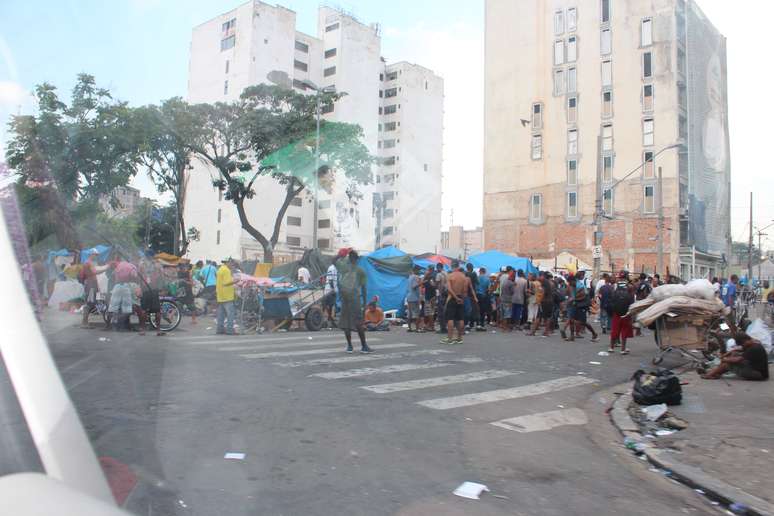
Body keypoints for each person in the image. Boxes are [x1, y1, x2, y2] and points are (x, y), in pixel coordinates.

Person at [336, 250, 371, 353]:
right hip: (354, 299)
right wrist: (364, 303)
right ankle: (364, 346)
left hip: (344, 298)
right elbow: (364, 289)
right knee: (359, 322)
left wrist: (340, 254)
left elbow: (333, 260)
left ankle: (350, 346)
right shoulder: (360, 271)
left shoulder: (344, 268)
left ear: (349, 258)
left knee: (346, 323)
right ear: (357, 259)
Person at [702, 332, 769, 381]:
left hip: (759, 375)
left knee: (727, 364)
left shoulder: (754, 348)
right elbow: (737, 349)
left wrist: (724, 359)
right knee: (734, 354)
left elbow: (737, 360)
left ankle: (709, 375)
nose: (742, 346)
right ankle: (716, 372)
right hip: (755, 369)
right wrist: (727, 354)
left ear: (745, 341)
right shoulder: (754, 343)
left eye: (742, 344)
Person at [441, 261, 476, 344]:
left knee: (450, 318)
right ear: (458, 266)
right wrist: (461, 298)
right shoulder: (463, 276)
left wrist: (456, 297)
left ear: (452, 267)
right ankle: (459, 338)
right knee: (460, 318)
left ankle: (450, 338)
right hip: (461, 298)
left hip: (452, 298)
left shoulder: (450, 276)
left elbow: (449, 289)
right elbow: (465, 290)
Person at [79, 251, 110, 328]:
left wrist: (98, 287)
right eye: (95, 255)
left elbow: (92, 275)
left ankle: (106, 321)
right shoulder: (88, 263)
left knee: (98, 301)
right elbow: (94, 272)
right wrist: (106, 268)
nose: (96, 256)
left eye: (96, 255)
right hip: (91, 285)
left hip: (92, 285)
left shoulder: (89, 263)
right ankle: (84, 322)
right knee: (90, 303)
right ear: (91, 255)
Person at [609, 271, 635, 354]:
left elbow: (612, 298)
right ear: (627, 277)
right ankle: (623, 349)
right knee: (624, 330)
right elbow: (632, 300)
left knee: (615, 329)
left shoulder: (615, 285)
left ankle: (611, 347)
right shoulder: (630, 286)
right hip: (626, 312)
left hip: (616, 312)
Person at [215, 258, 237, 335]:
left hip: (221, 295)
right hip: (227, 296)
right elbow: (226, 282)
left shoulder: (220, 269)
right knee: (230, 314)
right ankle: (230, 330)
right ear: (228, 262)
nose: (232, 265)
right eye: (231, 263)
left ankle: (219, 329)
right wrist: (236, 280)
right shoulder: (226, 270)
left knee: (221, 314)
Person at [528, 272, 554, 336]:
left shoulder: (545, 283)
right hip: (548, 301)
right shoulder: (547, 282)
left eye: (539, 276)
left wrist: (539, 301)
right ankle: (544, 332)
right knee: (545, 317)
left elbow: (543, 293)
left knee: (539, 316)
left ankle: (534, 332)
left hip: (545, 302)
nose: (538, 278)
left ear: (543, 276)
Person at [176, 260, 198, 325]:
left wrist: (185, 282)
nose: (183, 267)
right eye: (182, 266)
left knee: (192, 306)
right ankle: (170, 316)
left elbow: (192, 283)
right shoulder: (178, 273)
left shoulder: (189, 273)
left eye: (184, 266)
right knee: (179, 305)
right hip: (182, 292)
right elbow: (177, 281)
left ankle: (193, 320)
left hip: (188, 292)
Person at [406, 265, 422, 332]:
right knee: (417, 313)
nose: (419, 271)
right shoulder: (416, 277)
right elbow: (414, 286)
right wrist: (421, 283)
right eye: (418, 270)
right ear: (416, 270)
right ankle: (417, 328)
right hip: (414, 297)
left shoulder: (409, 277)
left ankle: (409, 328)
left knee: (410, 313)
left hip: (409, 296)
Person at [323, 262, 338, 328]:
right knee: (327, 305)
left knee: (331, 306)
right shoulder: (331, 268)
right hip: (330, 290)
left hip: (333, 290)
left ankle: (330, 320)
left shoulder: (336, 268)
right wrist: (333, 289)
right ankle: (326, 320)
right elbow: (330, 279)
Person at [422, 267, 437, 332]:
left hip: (429, 298)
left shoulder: (429, 279)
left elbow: (422, 283)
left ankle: (432, 327)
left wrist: (425, 276)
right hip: (432, 297)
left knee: (430, 313)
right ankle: (429, 326)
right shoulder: (432, 278)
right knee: (430, 312)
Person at [435, 263, 448, 334]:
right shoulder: (446, 273)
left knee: (440, 312)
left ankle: (443, 328)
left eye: (437, 268)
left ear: (438, 267)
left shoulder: (439, 274)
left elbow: (437, 285)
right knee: (445, 311)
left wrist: (433, 284)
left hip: (441, 294)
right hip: (446, 294)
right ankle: (445, 327)